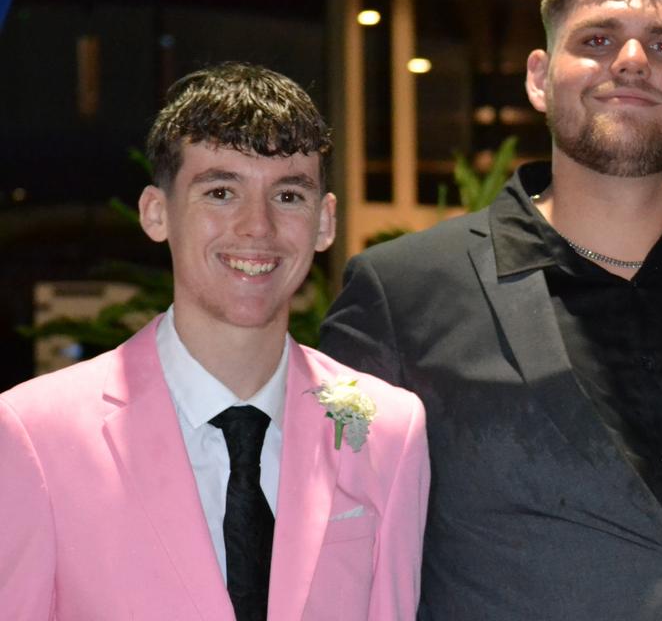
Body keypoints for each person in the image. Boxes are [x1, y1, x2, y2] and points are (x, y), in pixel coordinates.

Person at [320, 0, 662, 620]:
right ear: (538, 77)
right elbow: (332, 558)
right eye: (595, 40)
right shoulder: (402, 293)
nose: (632, 62)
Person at [0, 63, 429, 621]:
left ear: (325, 223)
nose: (258, 226)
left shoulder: (389, 431)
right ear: (156, 213)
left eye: (289, 196)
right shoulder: (35, 432)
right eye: (221, 192)